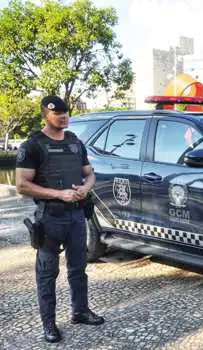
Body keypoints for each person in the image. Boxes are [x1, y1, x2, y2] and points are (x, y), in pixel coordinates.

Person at [15, 95, 104, 343]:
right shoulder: (32, 145)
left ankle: (81, 311)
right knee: (47, 273)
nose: (64, 117)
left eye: (66, 113)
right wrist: (58, 194)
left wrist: (85, 188)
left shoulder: (75, 143)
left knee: (79, 268)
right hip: (49, 219)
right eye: (58, 113)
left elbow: (90, 174)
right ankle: (49, 324)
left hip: (76, 216)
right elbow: (22, 185)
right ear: (46, 114)